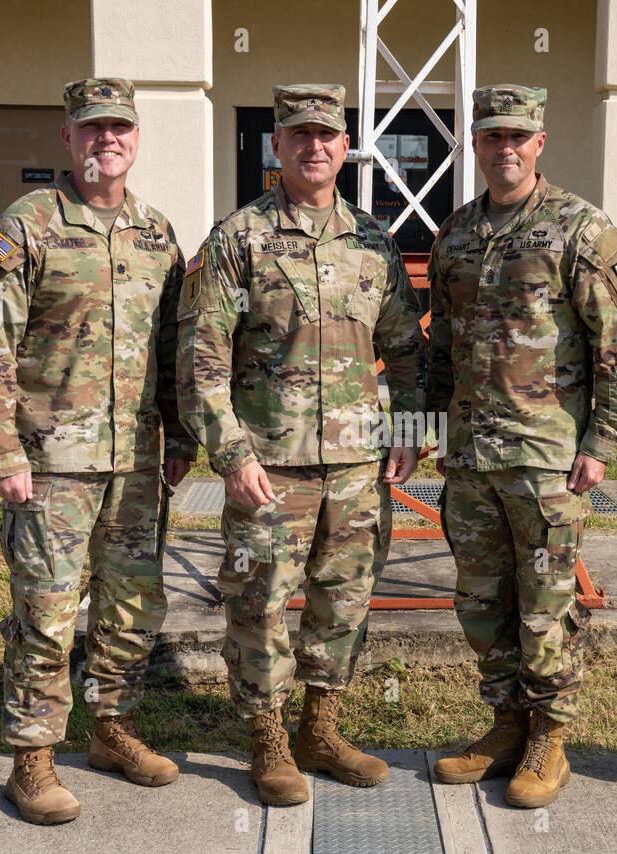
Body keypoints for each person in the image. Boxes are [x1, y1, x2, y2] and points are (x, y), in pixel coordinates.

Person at [177, 84, 425, 806]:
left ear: (346, 148)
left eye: (327, 135)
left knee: (341, 602)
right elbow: (203, 357)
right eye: (298, 135)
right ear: (277, 146)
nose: (314, 147)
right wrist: (231, 455)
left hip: (354, 466)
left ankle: (321, 728)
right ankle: (268, 741)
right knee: (258, 604)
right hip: (269, 467)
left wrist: (408, 430)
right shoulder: (237, 239)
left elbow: (407, 350)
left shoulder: (372, 243)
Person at [0, 77, 195, 825]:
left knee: (131, 606)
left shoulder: (158, 234)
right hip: (51, 463)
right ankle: (32, 759)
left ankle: (112, 730)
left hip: (138, 463)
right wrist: (2, 453)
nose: (106, 141)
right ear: (68, 138)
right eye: (92, 129)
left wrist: (182, 438)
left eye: (119, 129)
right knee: (48, 610)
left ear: (135, 139)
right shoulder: (27, 226)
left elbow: (175, 351)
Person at [427, 85, 617, 808]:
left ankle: (550, 740)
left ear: (540, 142)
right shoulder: (455, 235)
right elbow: (442, 348)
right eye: (491, 137)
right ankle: (505, 724)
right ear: (476, 146)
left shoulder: (582, 230)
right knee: (480, 603)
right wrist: (426, 428)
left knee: (545, 605)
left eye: (517, 136)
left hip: (548, 460)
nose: (505, 149)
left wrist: (603, 442)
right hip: (471, 460)